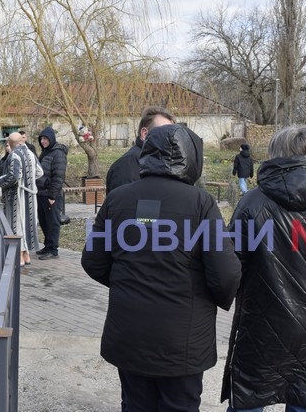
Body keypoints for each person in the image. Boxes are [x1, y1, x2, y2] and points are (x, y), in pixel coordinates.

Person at [82, 124, 241, 411]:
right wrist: (209, 296)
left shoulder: (118, 199)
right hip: (183, 337)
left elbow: (93, 260)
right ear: (192, 158)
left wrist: (127, 281)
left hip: (129, 332)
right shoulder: (200, 203)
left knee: (135, 404)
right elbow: (226, 273)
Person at [221, 125, 306, 412]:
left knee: (249, 400)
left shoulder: (252, 204)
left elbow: (230, 265)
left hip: (262, 324)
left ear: (274, 154)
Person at [105, 106, 176, 193]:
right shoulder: (127, 164)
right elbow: (125, 203)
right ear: (144, 134)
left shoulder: (157, 161)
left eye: (172, 133)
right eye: (164, 132)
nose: (170, 138)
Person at [0, 132, 43, 266]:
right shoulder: (30, 153)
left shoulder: (14, 155)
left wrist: (1, 181)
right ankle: (26, 255)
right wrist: (29, 181)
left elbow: (13, 177)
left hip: (18, 196)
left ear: (10, 144)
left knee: (17, 225)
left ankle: (19, 256)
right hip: (31, 196)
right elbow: (40, 172)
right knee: (28, 224)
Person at [35, 126, 68, 260]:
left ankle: (53, 250)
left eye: (45, 138)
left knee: (52, 223)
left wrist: (52, 196)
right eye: (41, 139)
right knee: (44, 221)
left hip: (51, 195)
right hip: (41, 193)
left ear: (51, 139)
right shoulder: (45, 152)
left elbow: (58, 176)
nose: (43, 141)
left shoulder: (58, 153)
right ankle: (47, 246)